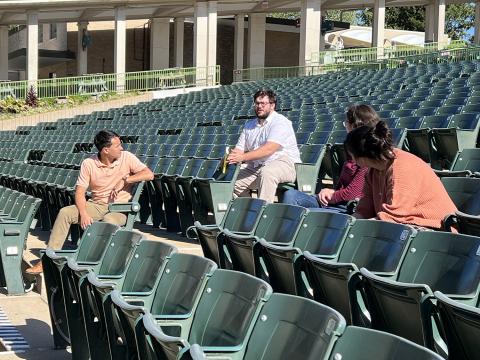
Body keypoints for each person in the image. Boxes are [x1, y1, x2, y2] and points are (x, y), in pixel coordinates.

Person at [26, 130, 154, 274]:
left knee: (108, 220)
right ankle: (48, 260)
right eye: (118, 146)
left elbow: (149, 174)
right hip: (96, 205)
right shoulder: (89, 163)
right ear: (106, 150)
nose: (121, 148)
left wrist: (125, 180)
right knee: (65, 212)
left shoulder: (127, 157)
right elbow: (80, 191)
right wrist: (84, 213)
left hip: (119, 209)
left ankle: (93, 262)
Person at [345, 121, 457, 229]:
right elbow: (364, 209)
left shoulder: (402, 167)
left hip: (435, 226)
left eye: (351, 155)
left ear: (362, 157)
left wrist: (358, 228)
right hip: (404, 224)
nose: (352, 160)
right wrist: (350, 225)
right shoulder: (372, 171)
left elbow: (395, 216)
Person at [281, 104, 380, 211]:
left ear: (354, 125)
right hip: (336, 201)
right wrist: (330, 193)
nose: (345, 126)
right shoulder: (351, 147)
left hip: (348, 206)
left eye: (346, 123)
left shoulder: (368, 154)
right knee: (290, 195)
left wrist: (332, 195)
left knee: (307, 214)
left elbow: (353, 193)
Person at [227, 89, 301, 203]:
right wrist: (231, 157)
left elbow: (269, 149)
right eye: (257, 103)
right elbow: (239, 149)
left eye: (263, 104)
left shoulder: (280, 122)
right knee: (233, 180)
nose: (259, 106)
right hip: (258, 165)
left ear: (272, 105)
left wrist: (242, 157)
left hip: (284, 163)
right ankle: (248, 210)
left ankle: (263, 214)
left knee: (268, 173)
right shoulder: (249, 125)